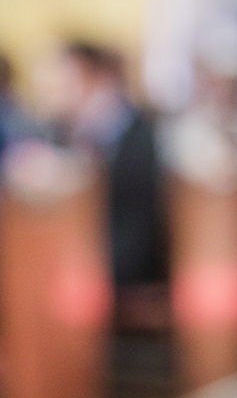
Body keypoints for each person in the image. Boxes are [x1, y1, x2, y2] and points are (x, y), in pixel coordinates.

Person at [45, 41, 168, 289]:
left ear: (99, 78)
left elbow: (134, 210)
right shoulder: (70, 131)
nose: (64, 92)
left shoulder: (139, 132)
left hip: (125, 255)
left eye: (71, 82)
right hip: (80, 247)